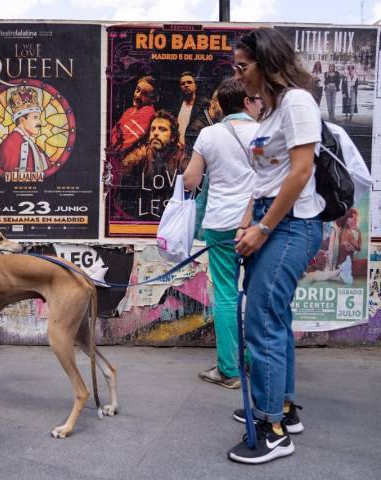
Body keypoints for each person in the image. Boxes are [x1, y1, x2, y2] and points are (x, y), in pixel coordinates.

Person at [229, 28, 324, 464]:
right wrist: (247, 224)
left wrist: (264, 229)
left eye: (242, 66)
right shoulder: (268, 112)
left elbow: (300, 173)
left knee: (262, 318)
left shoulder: (297, 103)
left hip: (292, 226)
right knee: (276, 317)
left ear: (266, 64)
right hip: (271, 219)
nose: (238, 74)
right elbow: (264, 179)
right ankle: (284, 407)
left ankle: (272, 430)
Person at [183, 78, 262, 390]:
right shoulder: (264, 132)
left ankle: (228, 370)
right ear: (245, 102)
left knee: (227, 294)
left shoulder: (209, 134)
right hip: (258, 225)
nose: (260, 104)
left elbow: (191, 180)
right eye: (256, 100)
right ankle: (258, 363)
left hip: (220, 225)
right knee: (257, 293)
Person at [0, 85, 49, 173]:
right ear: (22, 120)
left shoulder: (36, 147)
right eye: (35, 117)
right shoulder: (11, 144)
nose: (40, 123)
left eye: (39, 118)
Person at [112, 76, 157, 152]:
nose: (138, 95)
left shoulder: (148, 113)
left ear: (152, 99)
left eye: (144, 94)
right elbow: (114, 131)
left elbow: (122, 145)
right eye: (137, 90)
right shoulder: (130, 110)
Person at [176, 71, 211, 150]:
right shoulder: (177, 105)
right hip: (178, 149)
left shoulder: (203, 104)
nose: (186, 85)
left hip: (195, 148)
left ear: (195, 86)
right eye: (183, 83)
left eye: (189, 82)